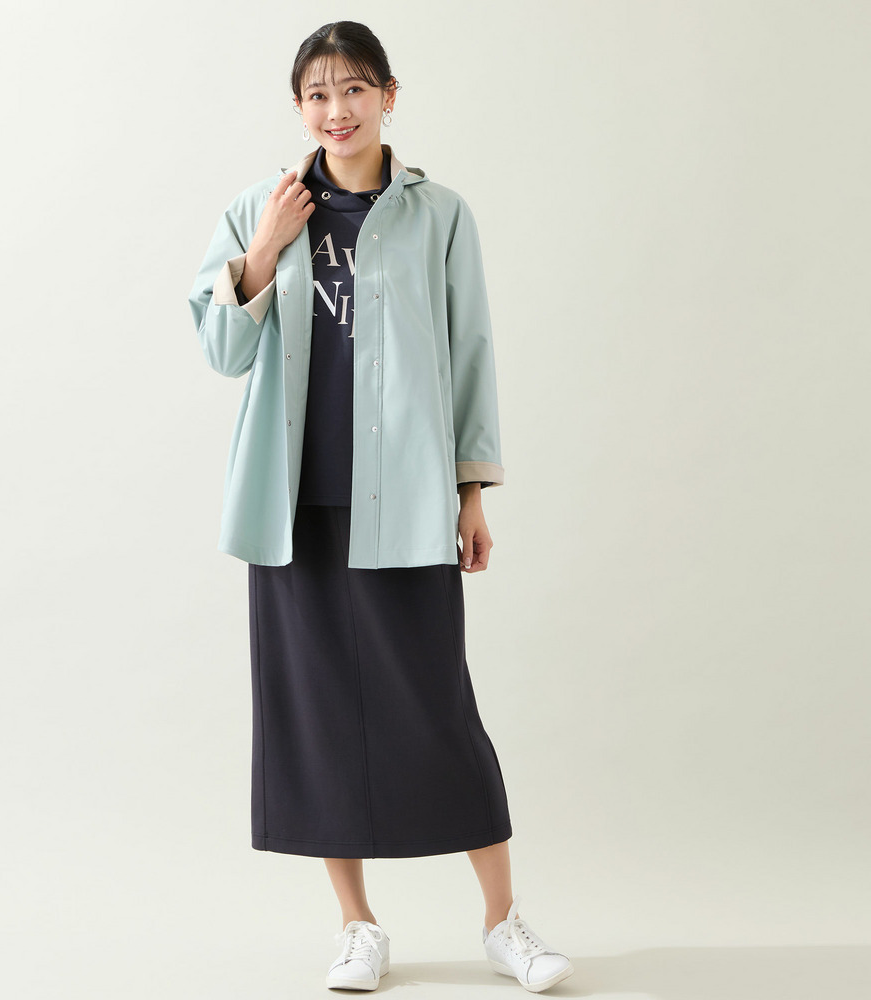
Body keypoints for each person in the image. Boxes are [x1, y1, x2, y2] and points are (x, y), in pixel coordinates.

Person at [188, 20, 574, 995]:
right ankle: (356, 926)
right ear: (298, 107)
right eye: (318, 94)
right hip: (292, 505)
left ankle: (503, 922)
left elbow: (470, 352)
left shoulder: (439, 215)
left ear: (388, 96)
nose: (338, 110)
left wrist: (471, 493)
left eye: (355, 89)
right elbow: (223, 352)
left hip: (404, 500)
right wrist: (265, 248)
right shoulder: (259, 208)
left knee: (438, 708)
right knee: (317, 716)